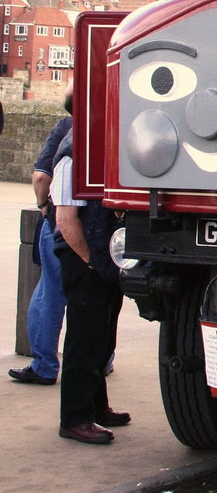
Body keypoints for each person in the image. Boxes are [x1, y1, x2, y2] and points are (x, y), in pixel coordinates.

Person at [51, 130, 130, 444]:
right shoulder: (73, 155)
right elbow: (65, 218)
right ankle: (75, 418)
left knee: (101, 335)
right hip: (85, 258)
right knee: (84, 340)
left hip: (101, 257)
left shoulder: (93, 147)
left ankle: (97, 407)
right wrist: (90, 261)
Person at [9, 88, 73, 386]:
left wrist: (43, 205)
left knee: (50, 293)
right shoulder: (111, 126)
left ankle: (45, 365)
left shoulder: (65, 128)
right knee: (95, 297)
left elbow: (41, 177)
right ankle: (100, 359)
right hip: (103, 225)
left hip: (60, 221)